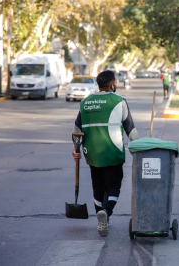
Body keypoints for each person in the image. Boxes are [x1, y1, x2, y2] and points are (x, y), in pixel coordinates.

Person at [72, 70, 139, 237]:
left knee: (98, 186)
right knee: (113, 186)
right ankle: (106, 213)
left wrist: (76, 149)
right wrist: (139, 148)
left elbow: (77, 131)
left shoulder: (85, 102)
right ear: (112, 85)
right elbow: (130, 129)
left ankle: (101, 218)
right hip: (113, 152)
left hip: (92, 154)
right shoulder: (119, 100)